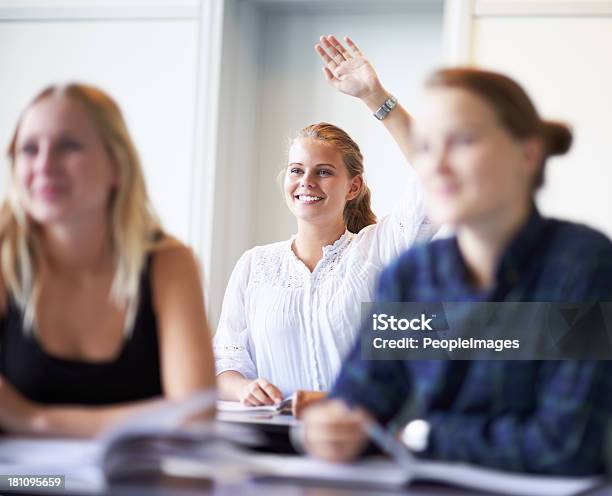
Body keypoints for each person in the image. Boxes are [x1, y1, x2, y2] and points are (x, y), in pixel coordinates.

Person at [302, 37, 612, 475]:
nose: (437, 165)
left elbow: (566, 444)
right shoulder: (410, 277)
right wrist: (331, 427)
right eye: (426, 146)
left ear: (527, 154)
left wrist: (419, 433)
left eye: (462, 141)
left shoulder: (583, 265)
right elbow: (358, 406)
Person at [0, 84, 215, 437]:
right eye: (28, 149)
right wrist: (150, 417)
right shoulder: (5, 258)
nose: (43, 165)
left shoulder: (169, 263)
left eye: (68, 146)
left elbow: (195, 415)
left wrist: (33, 419)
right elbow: (179, 413)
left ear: (116, 165)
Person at [214, 112, 436, 402]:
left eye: (323, 172)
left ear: (353, 187)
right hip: (273, 439)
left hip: (360, 440)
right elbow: (226, 361)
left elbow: (431, 175)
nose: (306, 181)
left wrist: (376, 98)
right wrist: (244, 389)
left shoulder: (379, 249)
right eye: (296, 170)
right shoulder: (253, 265)